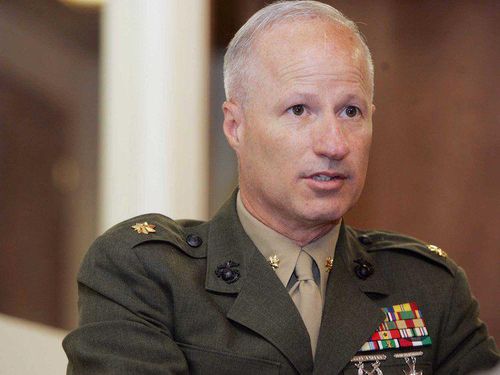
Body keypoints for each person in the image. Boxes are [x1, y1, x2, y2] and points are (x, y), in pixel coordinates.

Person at [63, 1, 499, 374]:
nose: (334, 144)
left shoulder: (428, 288)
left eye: (350, 111)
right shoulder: (149, 273)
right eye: (298, 109)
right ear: (236, 126)